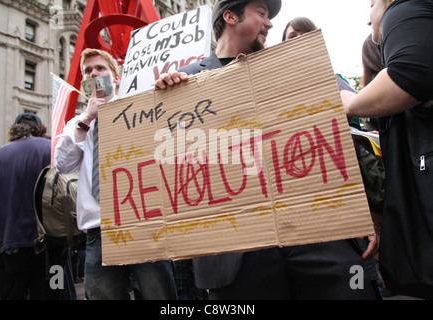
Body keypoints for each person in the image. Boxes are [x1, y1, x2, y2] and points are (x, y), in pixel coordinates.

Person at [155, 0, 380, 300]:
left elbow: (330, 139)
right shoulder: (185, 83)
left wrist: (360, 213)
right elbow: (173, 165)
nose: (270, 23)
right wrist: (164, 104)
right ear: (230, 16)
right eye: (261, 13)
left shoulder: (290, 67)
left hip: (317, 238)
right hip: (237, 252)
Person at [55, 48, 177, 300]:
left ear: (116, 77)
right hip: (99, 234)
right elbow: (63, 164)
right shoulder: (79, 124)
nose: (94, 73)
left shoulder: (139, 109)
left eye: (101, 68)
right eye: (88, 71)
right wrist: (87, 117)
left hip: (143, 225)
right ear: (85, 82)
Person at [341, 0, 433, 299]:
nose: (369, 18)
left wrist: (350, 103)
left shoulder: (403, 8)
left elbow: (410, 73)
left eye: (371, 4)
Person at [0, 114, 70, 299]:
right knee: (55, 295)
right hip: (53, 250)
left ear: (14, 129)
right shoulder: (54, 151)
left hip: (9, 250)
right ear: (40, 129)